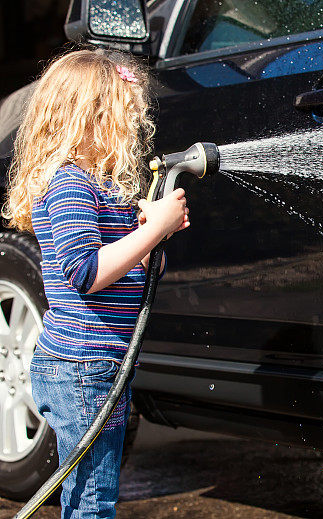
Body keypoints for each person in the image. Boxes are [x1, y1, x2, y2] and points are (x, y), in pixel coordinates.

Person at [1, 49, 189, 518]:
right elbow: (86, 273)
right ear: (88, 119)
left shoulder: (103, 187)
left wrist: (152, 240)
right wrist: (152, 230)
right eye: (124, 117)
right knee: (91, 498)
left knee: (94, 489)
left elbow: (133, 274)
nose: (132, 130)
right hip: (82, 367)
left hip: (100, 365)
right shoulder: (70, 185)